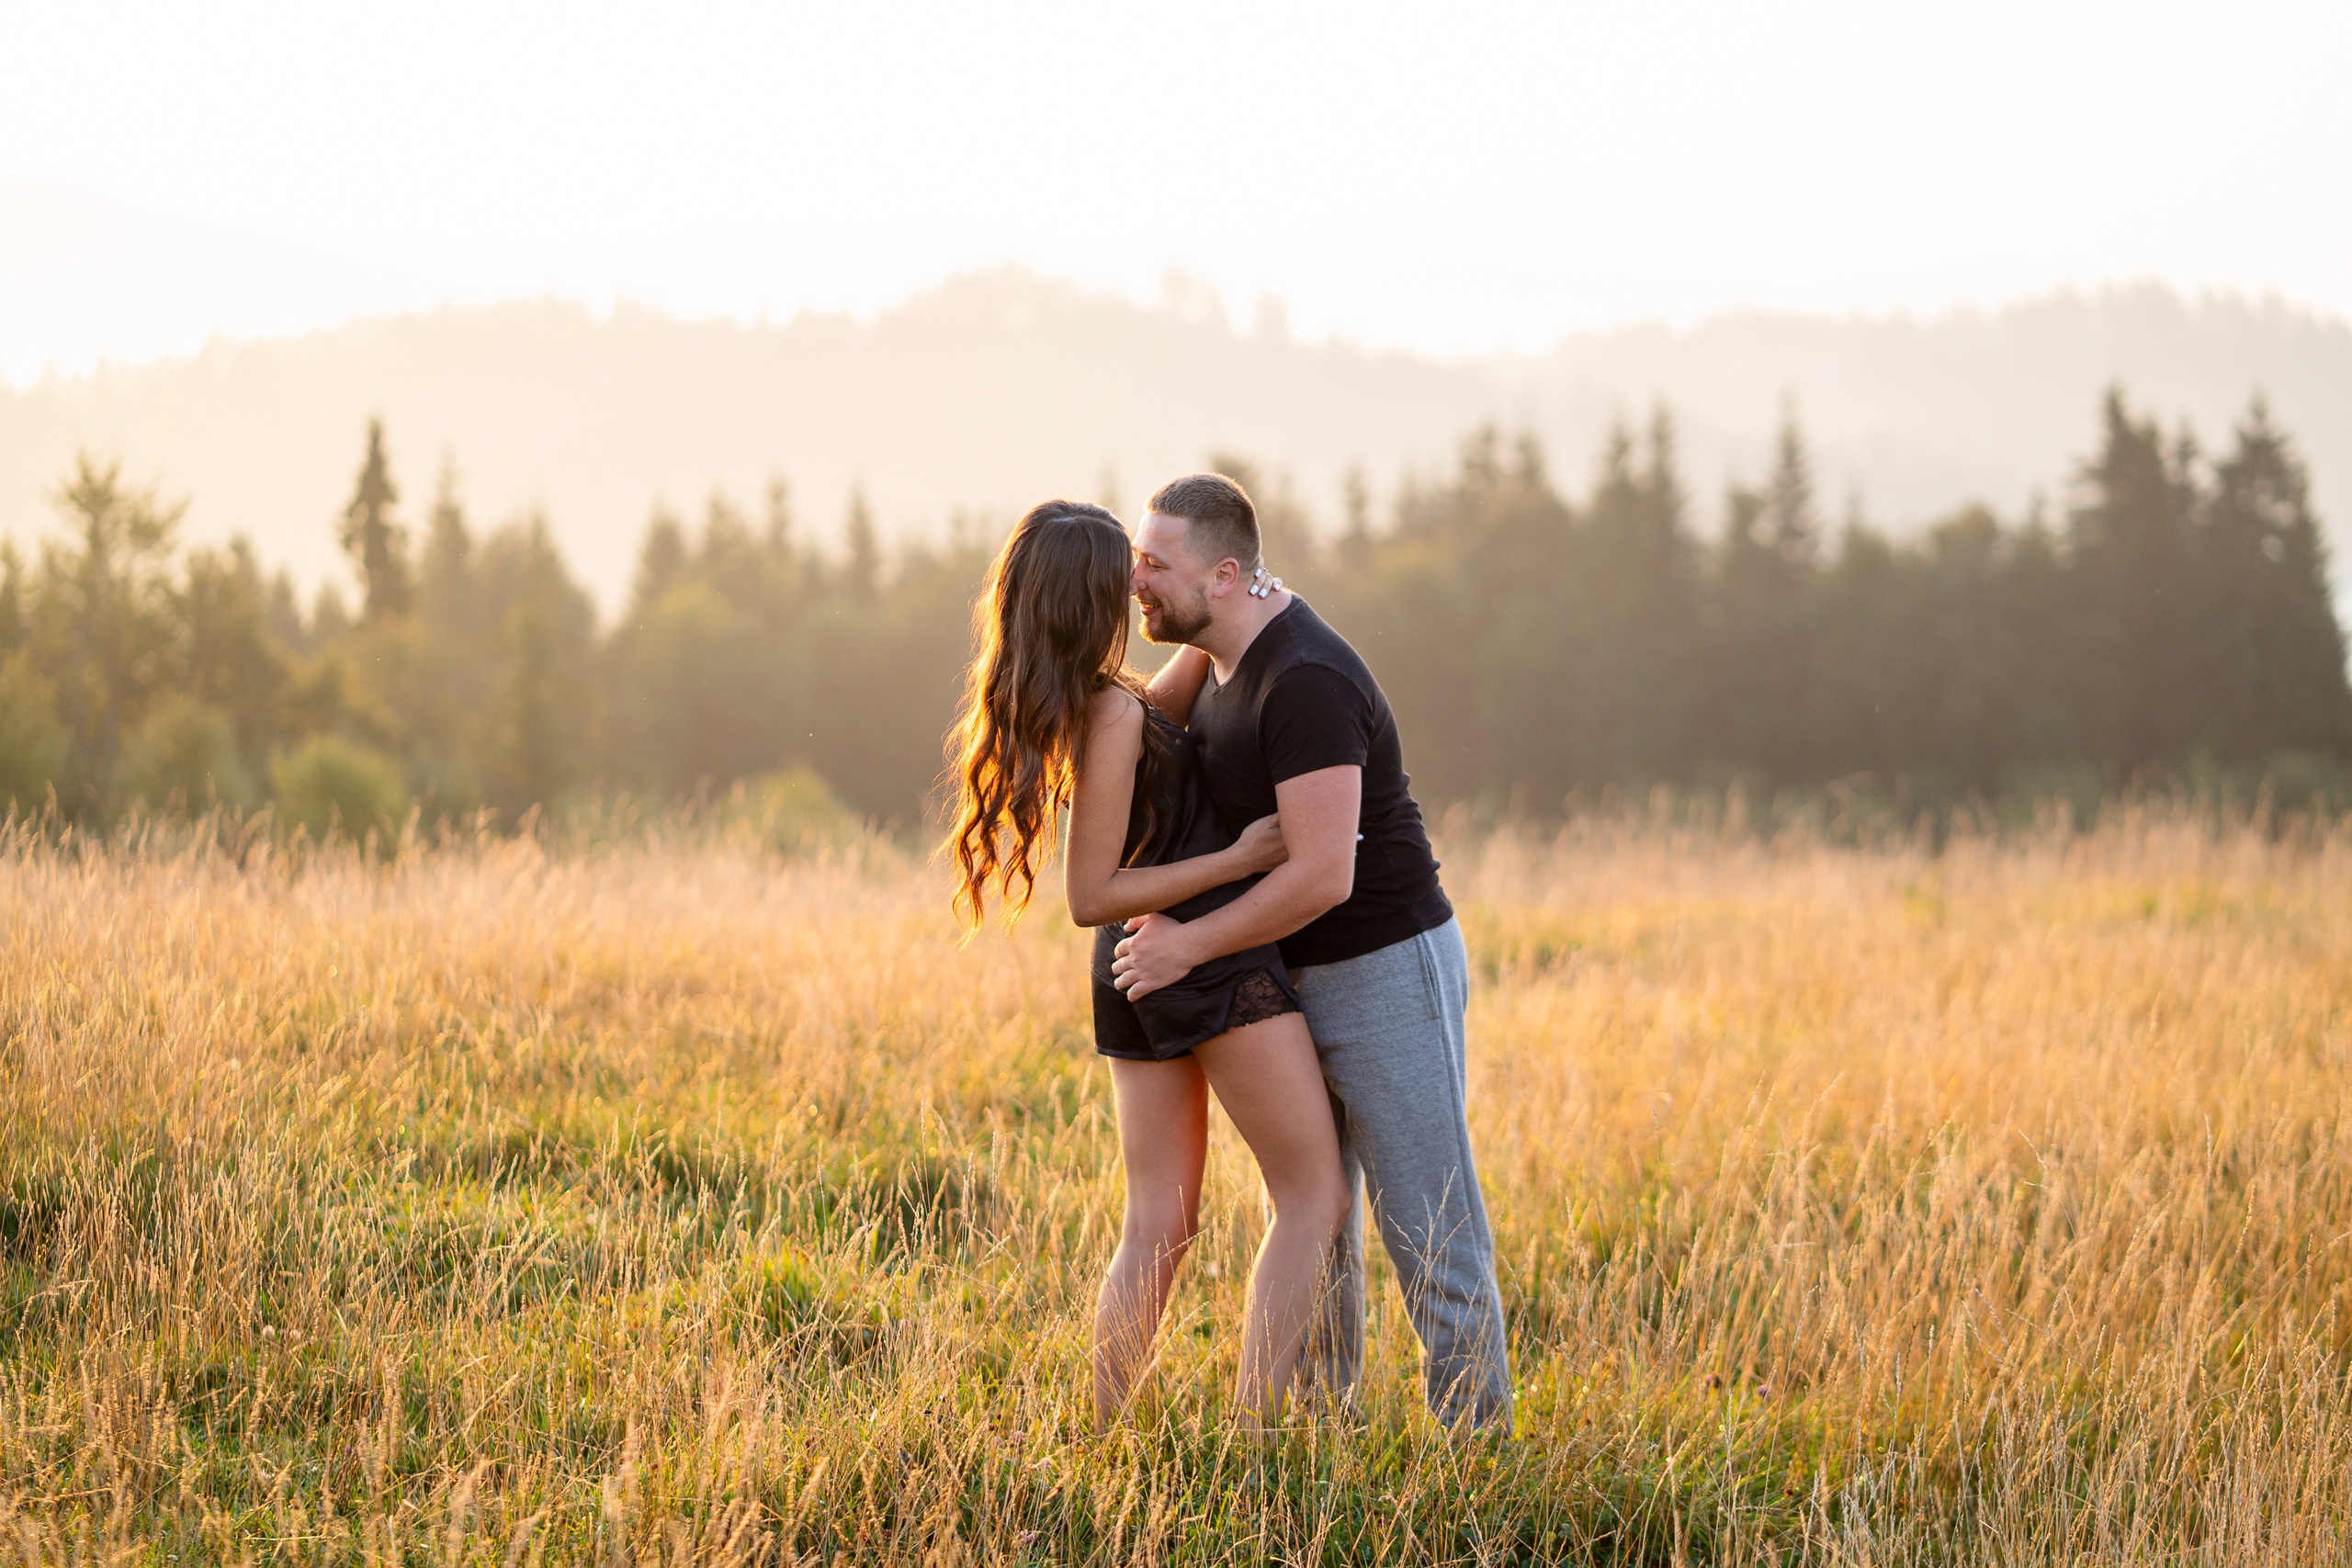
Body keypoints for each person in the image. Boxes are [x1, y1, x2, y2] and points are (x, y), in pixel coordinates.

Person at [1111, 471, 1513, 1432]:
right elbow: (1133, 727)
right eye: (1134, 558)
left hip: (1384, 968)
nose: (1137, 582)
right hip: (1285, 973)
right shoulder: (1211, 654)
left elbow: (1325, 876)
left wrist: (1185, 945)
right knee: (1316, 1218)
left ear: (1226, 573)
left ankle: (1479, 1458)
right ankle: (1316, 1441)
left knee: (1430, 1226)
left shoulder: (1306, 682)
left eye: (1154, 564)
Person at [946, 499, 1350, 1430]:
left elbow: (1186, 675)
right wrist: (1242, 861)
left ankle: (1104, 1432)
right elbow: (1092, 890)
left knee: (1159, 1225)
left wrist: (1242, 597)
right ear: (1091, 594)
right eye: (1122, 569)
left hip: (1131, 969)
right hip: (1198, 959)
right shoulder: (1114, 716)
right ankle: (1257, 1438)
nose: (1137, 581)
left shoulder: (1100, 700)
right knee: (1313, 1197)